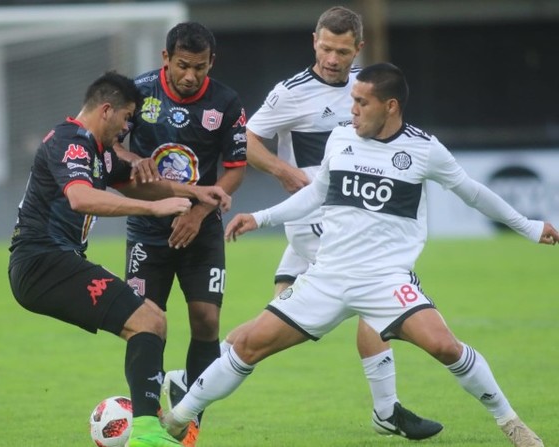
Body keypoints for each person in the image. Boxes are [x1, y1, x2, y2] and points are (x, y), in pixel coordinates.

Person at [162, 63, 557, 447]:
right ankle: (178, 420)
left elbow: (472, 192)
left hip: (385, 280)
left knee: (446, 347)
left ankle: (513, 426)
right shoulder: (341, 139)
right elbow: (317, 194)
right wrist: (260, 217)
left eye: (361, 103)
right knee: (248, 345)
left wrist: (529, 226)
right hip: (327, 277)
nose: (351, 110)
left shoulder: (423, 149)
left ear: (391, 107)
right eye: (352, 100)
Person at [206, 5, 440, 439]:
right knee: (378, 290)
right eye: (327, 48)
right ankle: (387, 410)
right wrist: (283, 171)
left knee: (274, 319)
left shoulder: (366, 85)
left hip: (345, 218)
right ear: (315, 41)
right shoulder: (290, 93)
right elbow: (247, 139)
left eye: (343, 51)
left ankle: (197, 375)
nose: (333, 59)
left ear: (359, 49)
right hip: (316, 220)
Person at [8, 71, 232, 447]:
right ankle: (146, 435)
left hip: (54, 262)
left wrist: (196, 191)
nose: (128, 129)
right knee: (147, 319)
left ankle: (151, 426)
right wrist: (153, 208)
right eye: (127, 118)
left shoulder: (95, 151)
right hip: (42, 263)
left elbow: (136, 181)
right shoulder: (71, 143)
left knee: (151, 319)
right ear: (107, 109)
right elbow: (81, 197)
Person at [114, 22, 247, 447]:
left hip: (200, 229)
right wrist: (132, 157)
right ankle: (146, 423)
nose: (191, 75)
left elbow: (235, 168)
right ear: (166, 59)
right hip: (147, 229)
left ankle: (190, 425)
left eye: (200, 67)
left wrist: (201, 210)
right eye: (183, 66)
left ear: (212, 63)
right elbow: (108, 143)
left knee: (206, 320)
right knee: (145, 323)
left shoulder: (225, 102)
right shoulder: (138, 94)